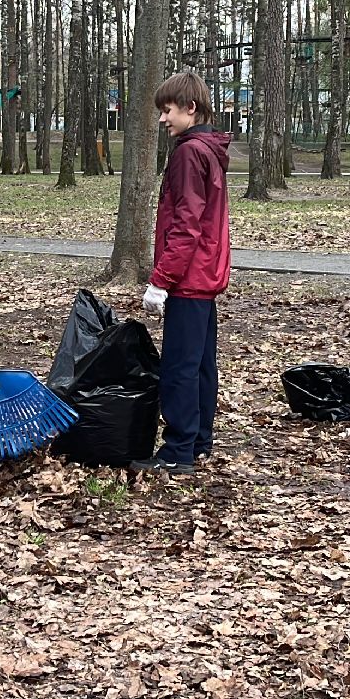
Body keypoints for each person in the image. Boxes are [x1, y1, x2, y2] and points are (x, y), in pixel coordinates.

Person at [136, 71, 232, 474]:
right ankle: (198, 442)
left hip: (189, 279)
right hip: (204, 276)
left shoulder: (189, 153)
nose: (163, 119)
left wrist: (161, 279)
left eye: (168, 111)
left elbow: (186, 224)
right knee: (201, 363)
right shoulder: (208, 150)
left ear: (190, 109)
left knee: (179, 365)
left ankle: (178, 450)